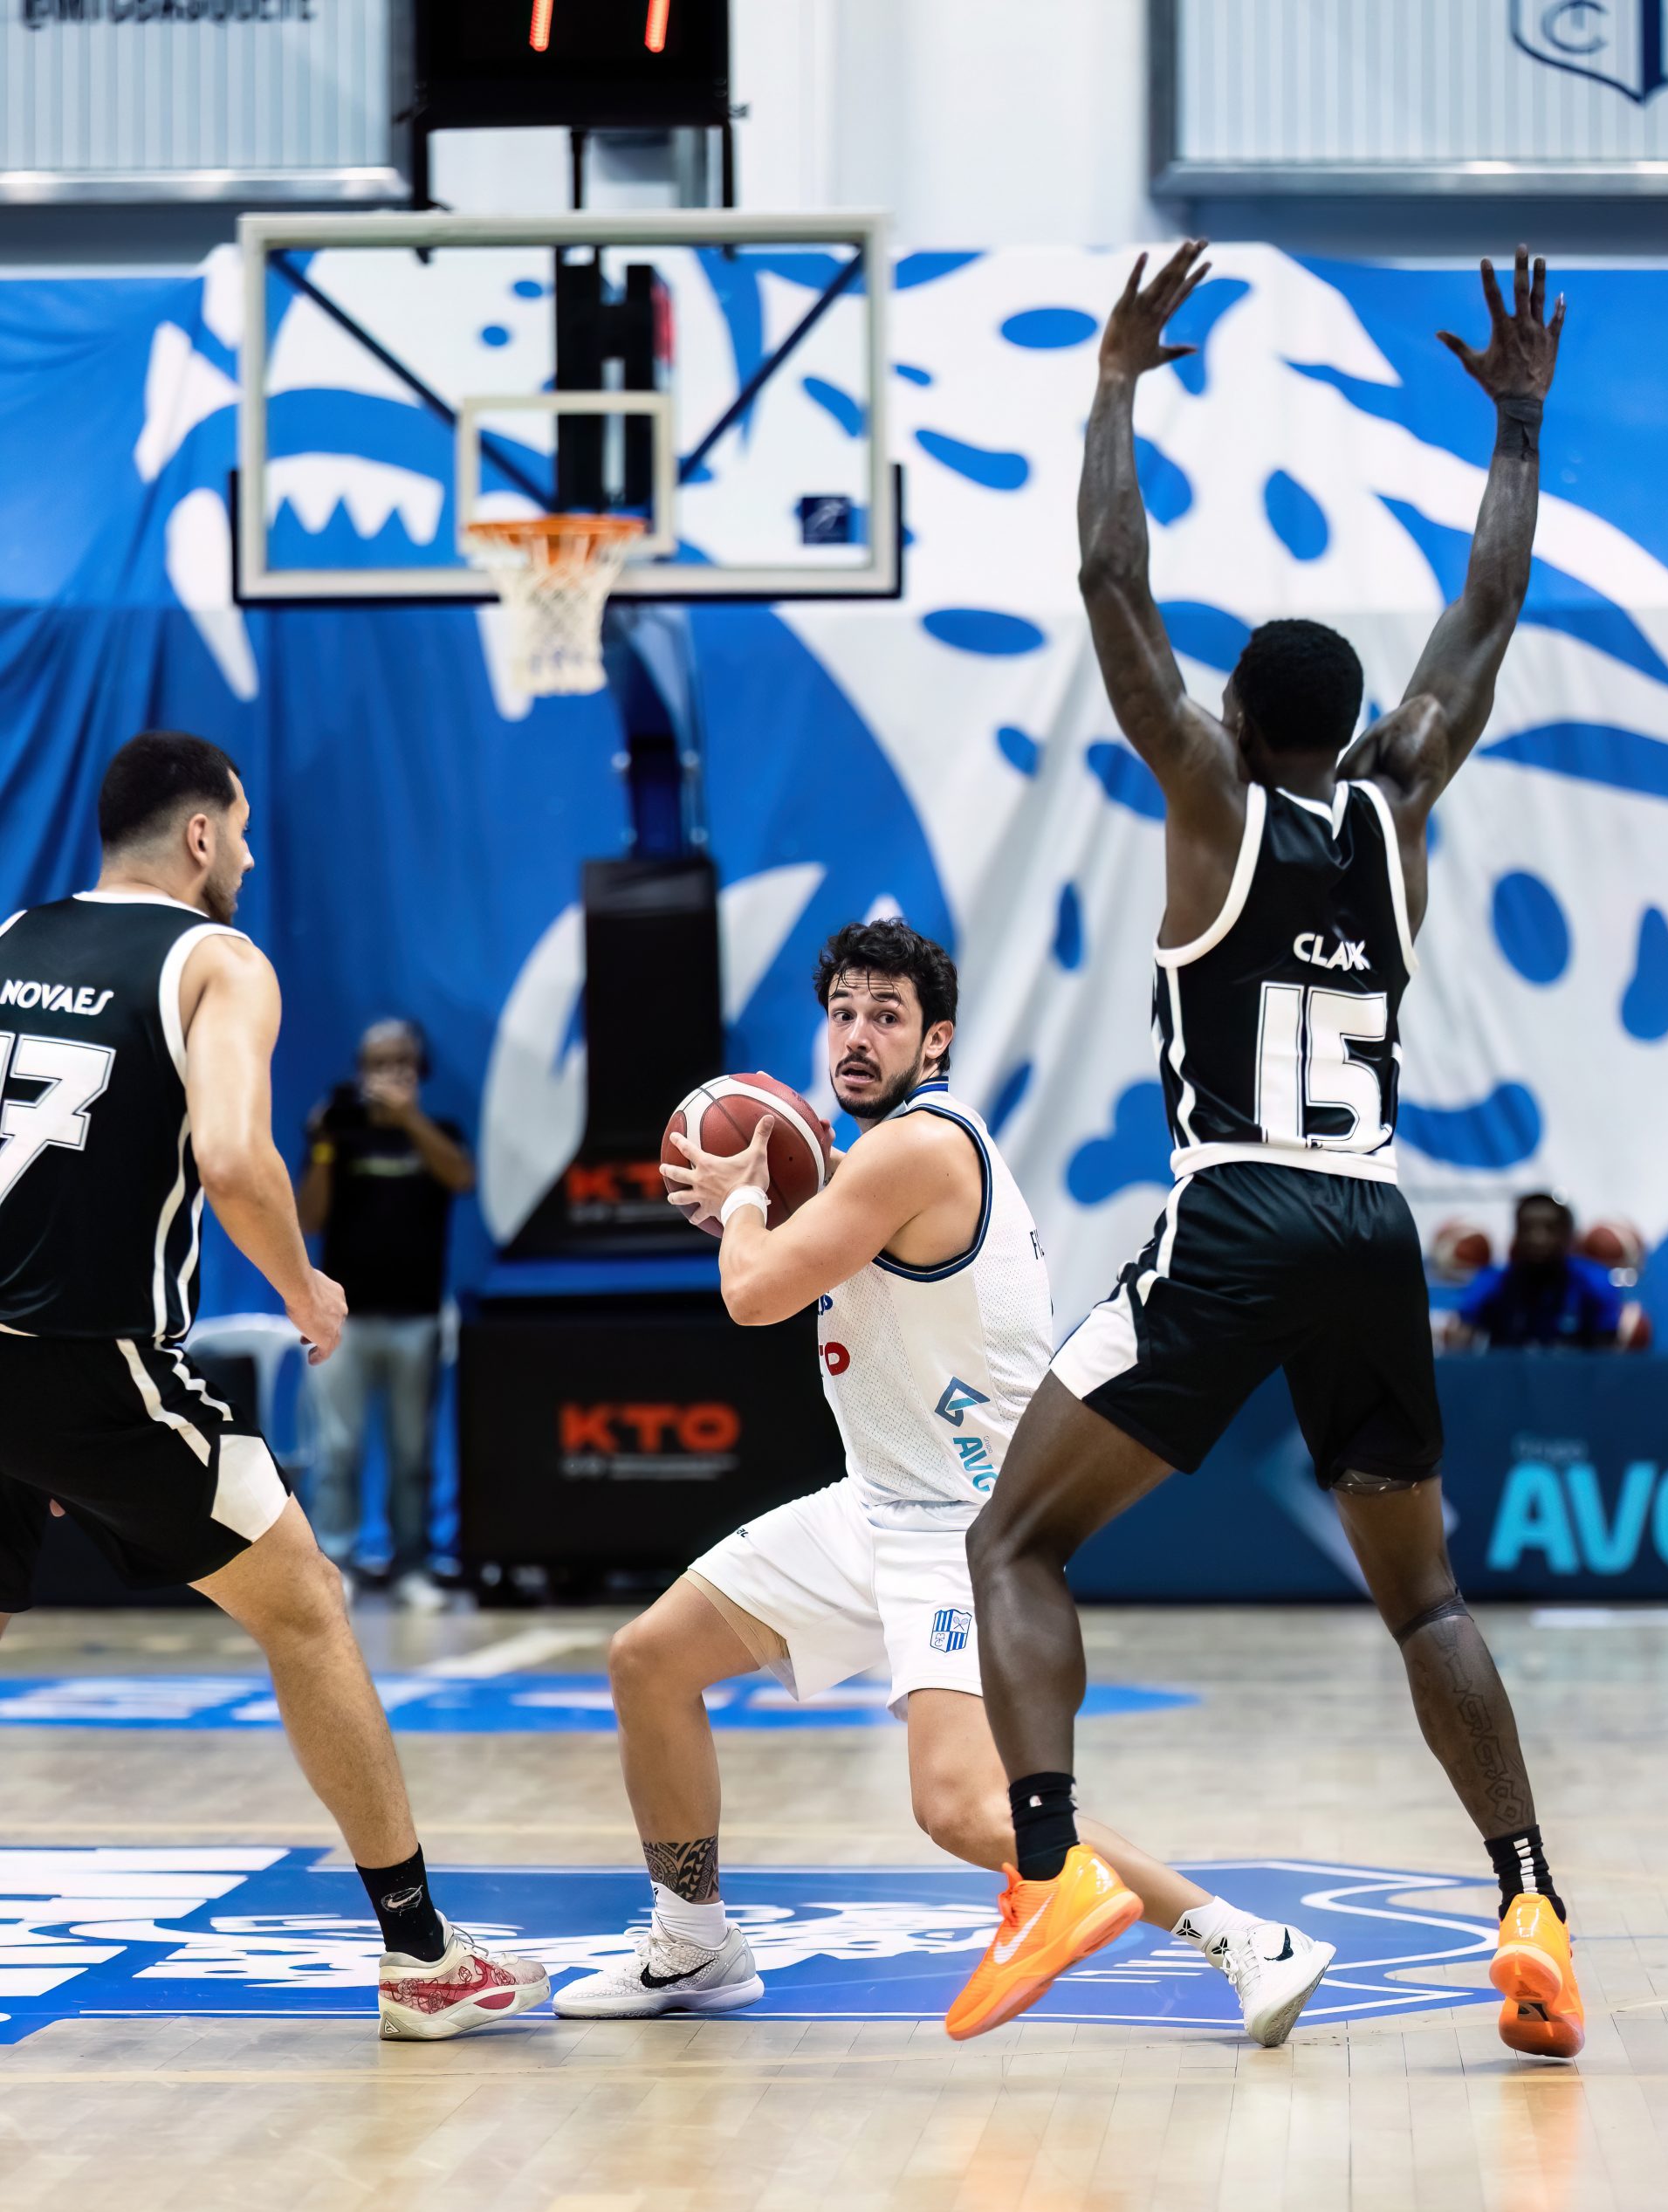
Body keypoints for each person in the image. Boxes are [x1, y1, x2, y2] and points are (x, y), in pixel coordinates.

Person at [952, 244, 1583, 2060]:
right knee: (1426, 1594)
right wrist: (1519, 426)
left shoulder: (1209, 796)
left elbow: (1109, 582)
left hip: (1236, 1211)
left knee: (1014, 1544)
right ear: (1357, 727)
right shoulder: (1405, 797)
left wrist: (1113, 385)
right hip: (1375, 1219)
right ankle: (1531, 1899)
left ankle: (1051, 1868)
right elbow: (1487, 611)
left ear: (1237, 720)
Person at [551, 918, 1334, 2044]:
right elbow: (792, 1248)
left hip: (965, 1528)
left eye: (887, 1016)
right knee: (649, 1660)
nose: (857, 1036)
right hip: (876, 1503)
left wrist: (744, 1199)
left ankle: (1245, 1938)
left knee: (961, 1808)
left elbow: (754, 1294)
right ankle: (695, 1941)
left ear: (936, 1041)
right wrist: (766, 1196)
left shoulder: (919, 1147)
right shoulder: (870, 1159)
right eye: (843, 1013)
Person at [0, 731, 546, 2039]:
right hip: (91, 1359)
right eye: (239, 831)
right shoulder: (218, 960)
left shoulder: (13, 937)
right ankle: (422, 1956)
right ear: (200, 835)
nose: (247, 857)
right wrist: (306, 1290)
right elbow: (237, 1158)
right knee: (307, 1606)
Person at [297, 1020, 474, 1609]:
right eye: (378, 1063)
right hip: (341, 1324)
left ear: (420, 1072)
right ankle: (337, 1562)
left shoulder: (439, 1133)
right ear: (360, 1071)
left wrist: (409, 1120)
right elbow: (309, 1219)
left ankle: (412, 1567)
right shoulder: (339, 1138)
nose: (390, 1074)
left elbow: (461, 1177)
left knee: (412, 1454)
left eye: (402, 1063)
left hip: (417, 1317)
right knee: (337, 1450)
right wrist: (323, 1144)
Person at [1447, 1193, 1628, 1350]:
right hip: (1508, 1379)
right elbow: (1459, 1350)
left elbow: (1607, 1363)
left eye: (1550, 1229)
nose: (1538, 1238)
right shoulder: (1490, 1283)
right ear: (1516, 1234)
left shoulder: (1595, 1283)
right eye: (1527, 1228)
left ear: (1568, 1236)